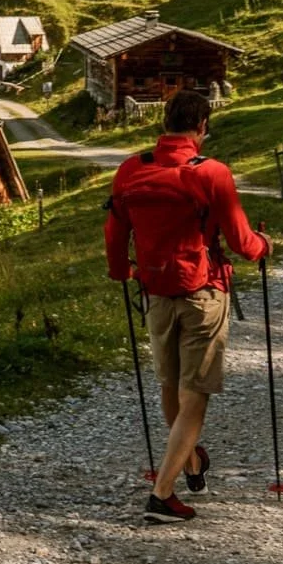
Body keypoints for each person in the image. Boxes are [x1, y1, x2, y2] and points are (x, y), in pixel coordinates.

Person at [103, 86, 269, 523]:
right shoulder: (211, 173)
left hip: (155, 292)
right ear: (202, 127)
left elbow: (115, 234)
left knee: (169, 386)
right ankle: (162, 495)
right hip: (203, 293)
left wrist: (123, 272)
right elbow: (241, 241)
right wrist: (262, 247)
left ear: (164, 124)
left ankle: (191, 462)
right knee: (194, 397)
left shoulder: (130, 170)